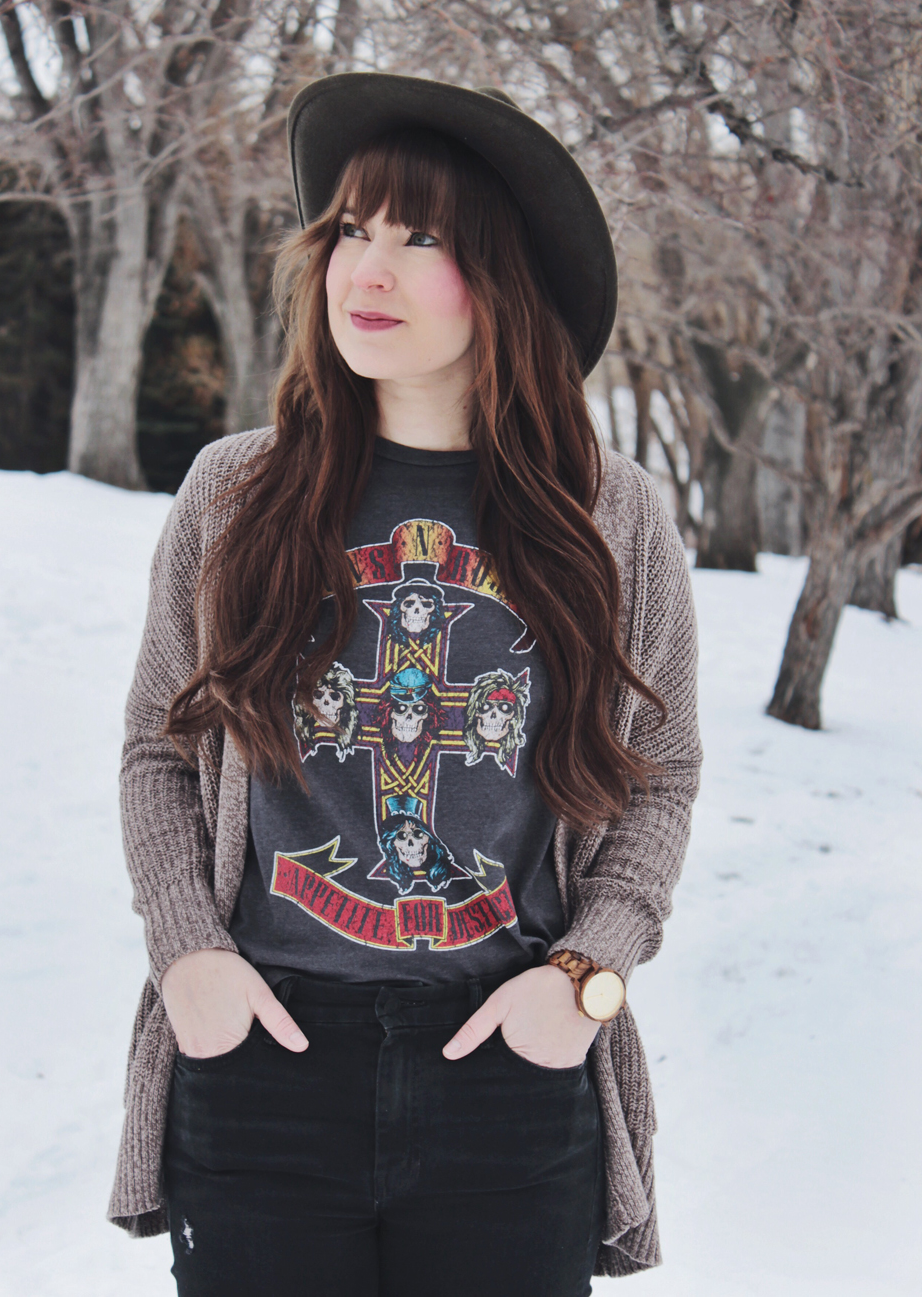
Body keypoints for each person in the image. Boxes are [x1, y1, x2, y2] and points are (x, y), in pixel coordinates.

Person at [108, 74, 702, 1297]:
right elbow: (161, 747)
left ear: (503, 279)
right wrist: (187, 953)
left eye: (420, 238)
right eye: (349, 231)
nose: (365, 270)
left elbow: (659, 772)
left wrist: (585, 977)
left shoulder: (608, 516)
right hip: (262, 1061)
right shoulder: (236, 495)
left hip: (507, 1072)